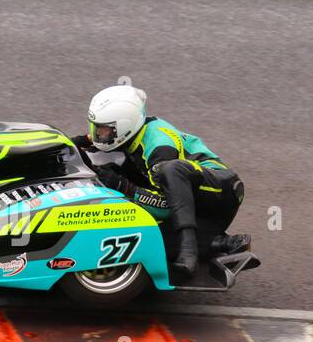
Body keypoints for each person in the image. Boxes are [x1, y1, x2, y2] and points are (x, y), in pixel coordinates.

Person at [78, 83, 250, 284]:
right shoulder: (130, 132)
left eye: (104, 130)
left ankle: (189, 251)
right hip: (192, 207)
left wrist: (123, 186)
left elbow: (166, 207)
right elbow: (82, 141)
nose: (99, 135)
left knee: (171, 170)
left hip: (220, 190)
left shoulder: (160, 148)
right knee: (146, 238)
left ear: (124, 126)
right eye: (96, 128)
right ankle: (220, 242)